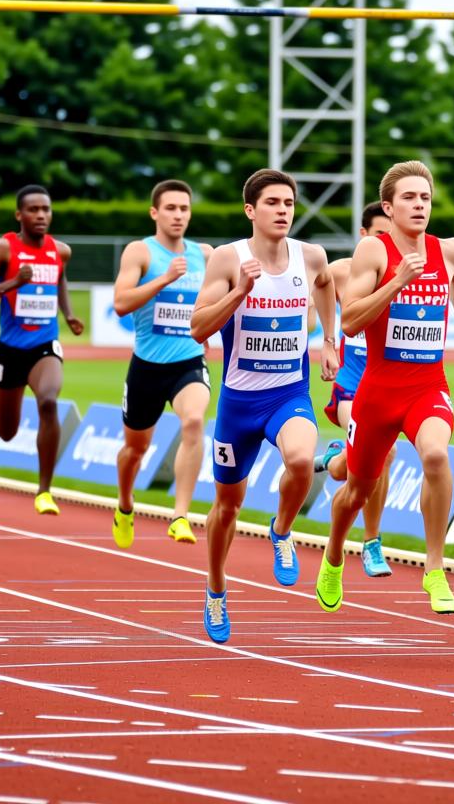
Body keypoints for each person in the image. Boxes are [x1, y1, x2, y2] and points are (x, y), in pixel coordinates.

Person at [315, 160, 454, 616]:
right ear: (388, 207)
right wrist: (398, 281)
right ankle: (333, 554)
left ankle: (434, 568)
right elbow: (350, 321)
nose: (419, 205)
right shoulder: (373, 252)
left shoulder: (448, 250)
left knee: (435, 454)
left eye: (425, 197)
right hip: (377, 392)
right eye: (409, 198)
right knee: (356, 489)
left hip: (427, 386)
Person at [190, 168, 339, 643]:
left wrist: (329, 341)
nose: (283, 211)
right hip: (238, 402)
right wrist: (239, 292)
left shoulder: (310, 255)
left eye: (289, 203)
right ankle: (216, 589)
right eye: (273, 203)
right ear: (251, 211)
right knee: (227, 506)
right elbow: (198, 327)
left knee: (299, 460)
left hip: (288, 393)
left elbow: (325, 287)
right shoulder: (228, 260)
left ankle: (281, 529)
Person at [0, 185, 84, 515]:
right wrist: (11, 284)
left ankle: (45, 491)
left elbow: (59, 279)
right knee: (6, 433)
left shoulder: (60, 251)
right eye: (33, 210)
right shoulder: (3, 250)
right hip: (9, 350)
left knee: (48, 402)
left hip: (44, 346)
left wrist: (69, 313)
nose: (41, 215)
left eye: (46, 210)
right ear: (19, 215)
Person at [110, 179, 214, 549]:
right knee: (135, 450)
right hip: (147, 366)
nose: (178, 215)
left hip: (188, 362)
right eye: (170, 208)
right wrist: (165, 279)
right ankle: (125, 503)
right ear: (155, 212)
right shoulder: (141, 252)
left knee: (194, 421)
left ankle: (180, 515)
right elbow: (121, 302)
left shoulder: (204, 254)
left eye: (184, 209)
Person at [315, 201, 397, 577]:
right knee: (387, 452)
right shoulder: (340, 272)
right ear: (364, 236)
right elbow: (311, 304)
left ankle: (335, 457)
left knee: (344, 471)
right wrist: (327, 344)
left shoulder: (412, 273)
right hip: (351, 384)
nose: (387, 241)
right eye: (380, 234)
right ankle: (372, 542)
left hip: (387, 384)